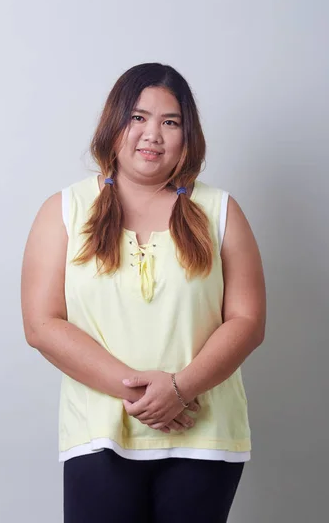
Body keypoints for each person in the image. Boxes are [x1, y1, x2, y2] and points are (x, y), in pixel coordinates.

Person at [21, 62, 266, 522]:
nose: (153, 134)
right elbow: (42, 325)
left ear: (187, 135)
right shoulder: (65, 211)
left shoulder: (220, 211)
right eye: (138, 117)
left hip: (205, 434)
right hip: (98, 433)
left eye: (170, 122)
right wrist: (144, 395)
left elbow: (248, 322)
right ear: (114, 125)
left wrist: (180, 388)